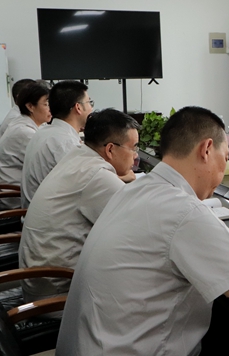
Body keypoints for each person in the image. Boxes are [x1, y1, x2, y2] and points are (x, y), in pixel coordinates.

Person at [56, 106, 229, 355]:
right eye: (226, 157)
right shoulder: (185, 213)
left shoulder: (135, 190)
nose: (224, 168)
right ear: (206, 149)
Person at [18, 108, 139, 304]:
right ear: (110, 149)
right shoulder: (97, 176)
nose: (135, 156)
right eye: (133, 148)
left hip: (39, 280)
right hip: (57, 295)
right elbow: (137, 228)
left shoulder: (78, 156)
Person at [21, 80, 94, 208]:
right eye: (89, 102)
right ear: (78, 107)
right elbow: (85, 186)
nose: (91, 108)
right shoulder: (64, 141)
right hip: (50, 214)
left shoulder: (46, 131)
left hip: (38, 209)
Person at [0, 82, 52, 209]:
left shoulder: (30, 123)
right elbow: (47, 165)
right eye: (46, 104)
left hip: (20, 189)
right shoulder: (25, 132)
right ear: (30, 106)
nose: (51, 109)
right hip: (15, 197)